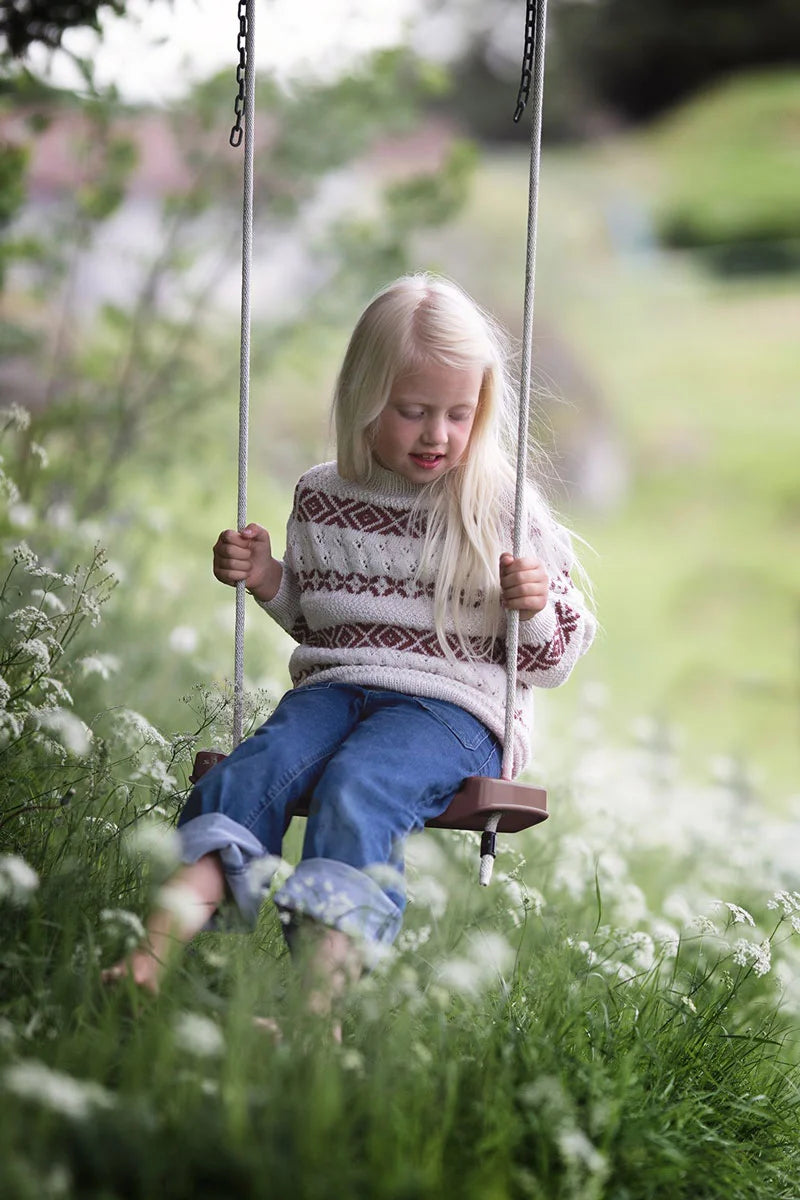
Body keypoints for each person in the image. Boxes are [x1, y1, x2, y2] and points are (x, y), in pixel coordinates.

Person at [104, 273, 595, 1024]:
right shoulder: (321, 495)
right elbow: (322, 620)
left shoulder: (500, 506)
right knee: (252, 770)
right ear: (366, 400)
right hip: (336, 690)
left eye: (458, 414)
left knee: (358, 786)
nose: (437, 434)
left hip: (453, 711)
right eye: (413, 411)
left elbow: (553, 658)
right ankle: (151, 955)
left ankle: (314, 1015)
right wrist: (267, 576)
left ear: (482, 410)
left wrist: (531, 606)